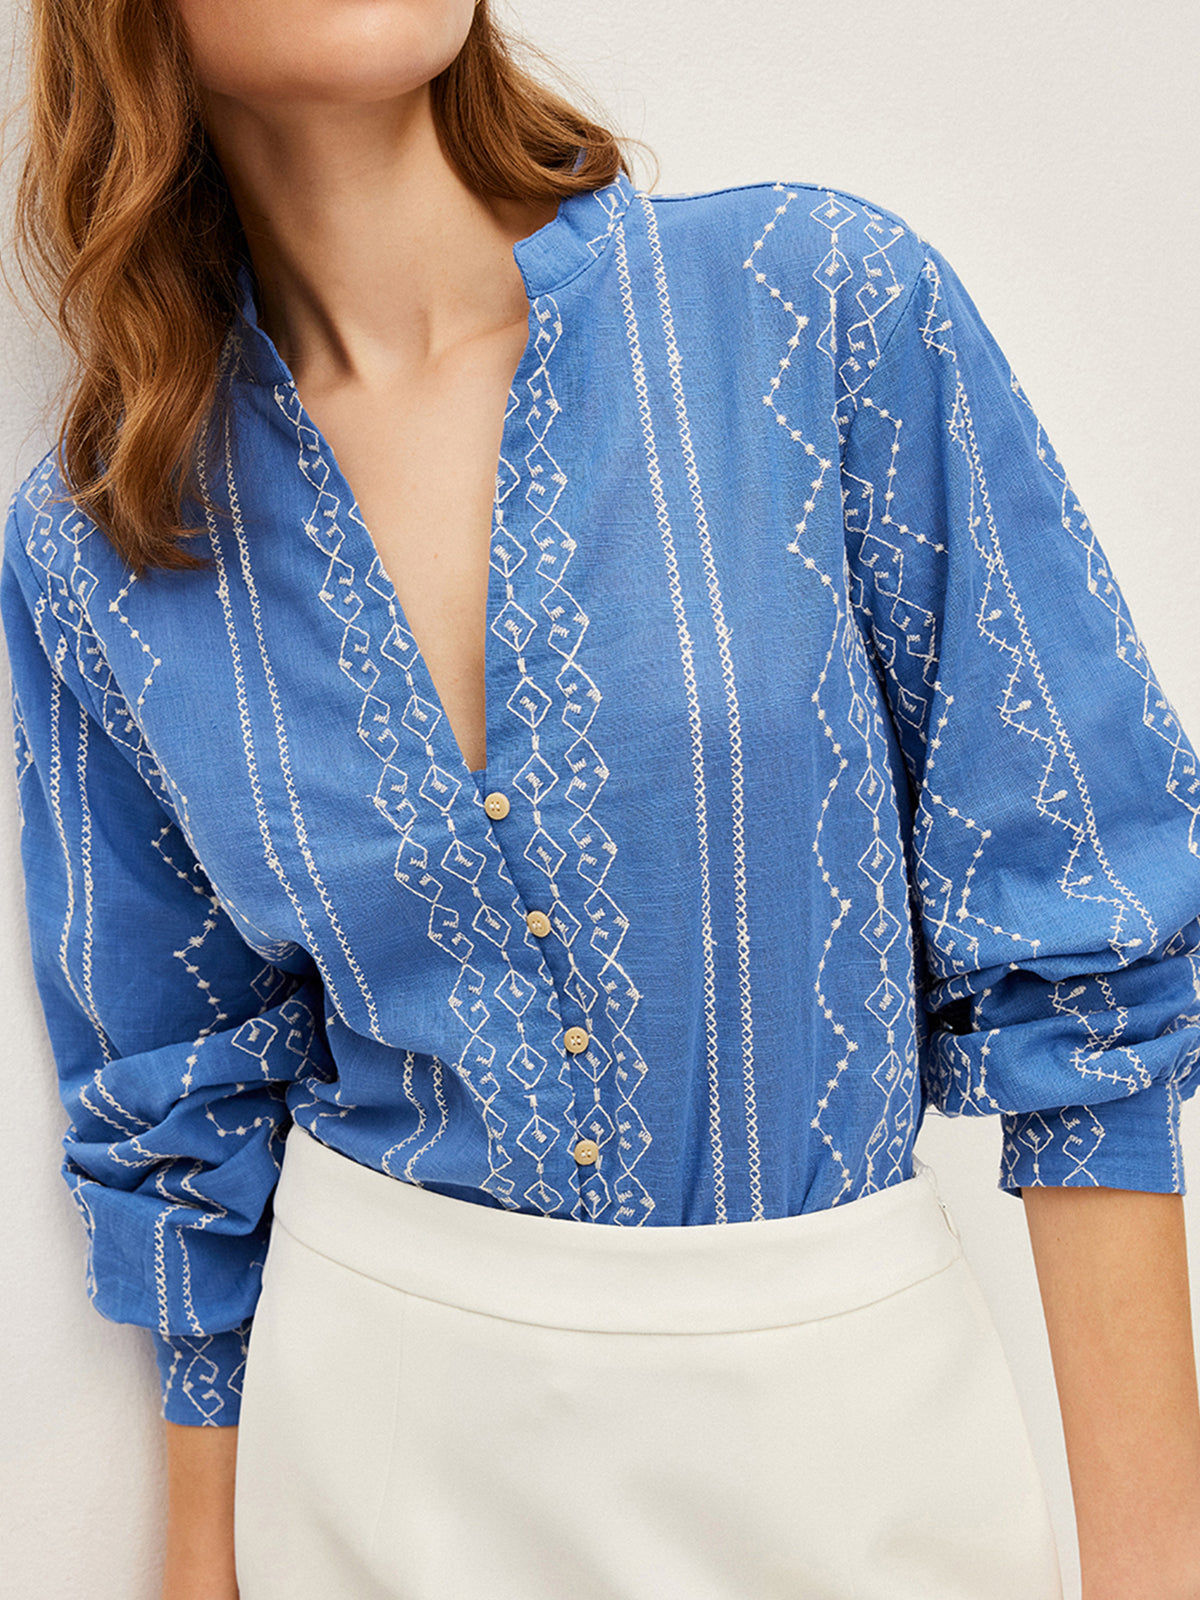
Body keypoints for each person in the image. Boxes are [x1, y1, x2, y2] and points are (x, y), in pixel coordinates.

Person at [3, 0, 1200, 1596]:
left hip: (854, 1444)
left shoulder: (814, 307)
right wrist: (202, 1567)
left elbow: (1089, 960)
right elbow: (179, 1092)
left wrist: (1154, 1568)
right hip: (375, 1466)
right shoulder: (104, 542)